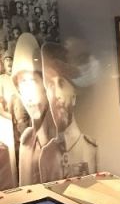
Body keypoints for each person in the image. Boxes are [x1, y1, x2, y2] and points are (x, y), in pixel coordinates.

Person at [38, 42, 97, 180]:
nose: (56, 95)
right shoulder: (46, 155)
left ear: (74, 95)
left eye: (62, 83)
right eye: (50, 85)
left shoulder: (91, 148)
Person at [11, 32, 56, 185]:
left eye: (32, 81)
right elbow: (26, 194)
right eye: (22, 84)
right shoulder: (26, 142)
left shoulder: (61, 139)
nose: (29, 95)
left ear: (45, 85)